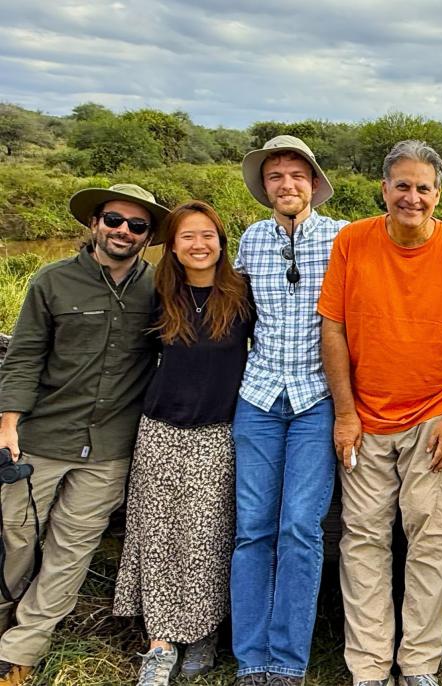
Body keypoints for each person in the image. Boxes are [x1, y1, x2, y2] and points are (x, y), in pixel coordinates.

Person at [319, 140, 442, 686]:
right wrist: (345, 414)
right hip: (365, 419)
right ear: (384, 189)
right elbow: (334, 327)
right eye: (402, 186)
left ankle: (419, 664)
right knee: (363, 539)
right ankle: (368, 666)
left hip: (434, 417)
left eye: (423, 188)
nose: (411, 197)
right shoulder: (352, 241)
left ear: (438, 194)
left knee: (432, 541)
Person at [0, 184, 167, 686]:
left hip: (112, 445)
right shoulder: (52, 281)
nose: (124, 231)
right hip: (45, 436)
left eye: (137, 226)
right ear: (95, 223)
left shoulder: (159, 289)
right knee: (14, 535)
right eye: (115, 220)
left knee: (72, 550)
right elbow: (24, 356)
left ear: (147, 237)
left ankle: (20, 650)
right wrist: (8, 424)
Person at [113, 201, 255, 686]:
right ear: (172, 245)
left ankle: (203, 632)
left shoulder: (242, 295)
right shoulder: (158, 294)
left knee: (206, 536)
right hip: (160, 428)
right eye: (188, 236)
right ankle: (160, 641)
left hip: (217, 431)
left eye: (208, 235)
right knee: (155, 533)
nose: (199, 244)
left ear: (221, 241)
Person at [231, 135, 347, 686]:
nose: (286, 185)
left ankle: (287, 660)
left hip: (317, 400)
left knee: (301, 526)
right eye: (275, 176)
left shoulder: (343, 239)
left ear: (314, 184)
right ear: (265, 188)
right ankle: (250, 655)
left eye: (296, 175)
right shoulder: (251, 241)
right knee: (253, 527)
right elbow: (235, 317)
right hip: (257, 398)